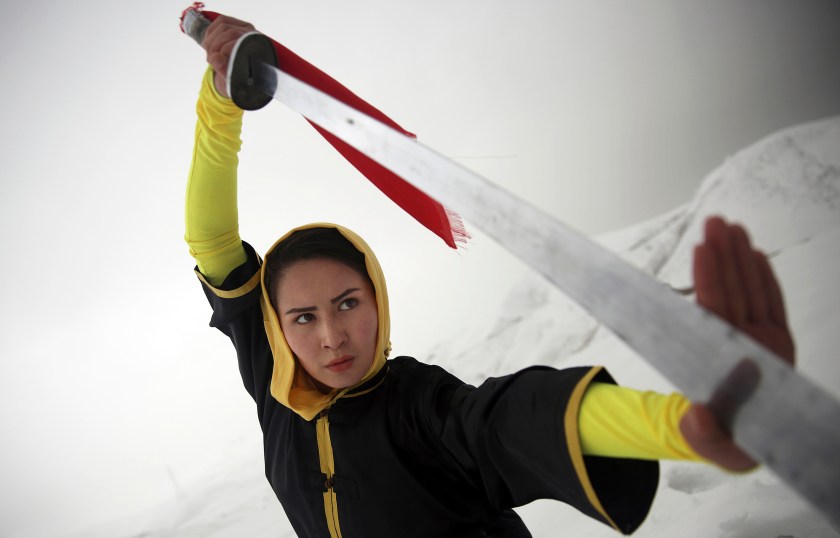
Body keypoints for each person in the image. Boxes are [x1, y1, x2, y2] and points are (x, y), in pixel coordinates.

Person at [184, 15, 796, 538]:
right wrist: (220, 97)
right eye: (304, 317)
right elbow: (211, 241)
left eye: (347, 304)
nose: (331, 337)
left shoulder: (417, 409)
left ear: (378, 300)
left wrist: (684, 427)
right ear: (277, 327)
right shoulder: (275, 385)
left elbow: (513, 419)